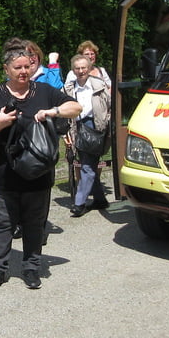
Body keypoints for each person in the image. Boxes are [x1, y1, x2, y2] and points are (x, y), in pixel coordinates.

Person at [0, 44, 81, 291]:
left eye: (27, 67)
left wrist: (53, 111)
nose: (23, 71)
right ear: (6, 69)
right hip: (4, 173)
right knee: (3, 223)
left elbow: (76, 108)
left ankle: (31, 268)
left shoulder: (44, 91)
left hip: (38, 173)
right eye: (17, 67)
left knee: (34, 223)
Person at [64, 53, 112, 217]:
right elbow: (64, 111)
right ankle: (100, 200)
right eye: (77, 68)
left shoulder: (99, 85)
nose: (81, 71)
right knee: (88, 165)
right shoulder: (69, 89)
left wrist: (106, 123)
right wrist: (66, 134)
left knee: (87, 166)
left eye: (83, 67)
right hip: (76, 128)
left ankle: (79, 204)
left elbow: (110, 105)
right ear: (73, 70)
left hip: (94, 128)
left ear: (89, 68)